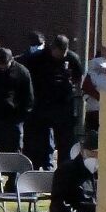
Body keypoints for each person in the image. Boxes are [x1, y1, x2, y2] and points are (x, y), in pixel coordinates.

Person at [26, 32, 84, 168]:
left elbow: (78, 77)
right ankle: (45, 166)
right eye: (59, 52)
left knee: (65, 141)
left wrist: (75, 90)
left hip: (64, 106)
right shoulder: (38, 58)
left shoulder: (72, 58)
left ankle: (63, 168)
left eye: (65, 52)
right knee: (42, 140)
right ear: (53, 48)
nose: (62, 55)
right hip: (43, 104)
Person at [82, 43, 106, 137]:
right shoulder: (96, 63)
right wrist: (100, 98)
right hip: (95, 111)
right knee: (93, 142)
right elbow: (86, 86)